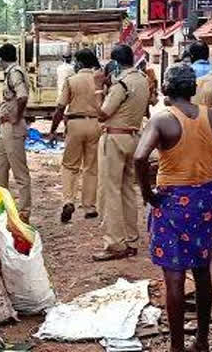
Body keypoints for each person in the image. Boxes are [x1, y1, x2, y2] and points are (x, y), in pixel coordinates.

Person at [135, 63, 212, 352]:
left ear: (166, 88)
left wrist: (148, 194)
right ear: (193, 90)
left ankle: (177, 347)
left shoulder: (162, 120)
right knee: (202, 271)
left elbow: (140, 158)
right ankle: (201, 341)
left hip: (171, 201)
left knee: (174, 275)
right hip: (204, 201)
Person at [91, 44, 150, 261]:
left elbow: (102, 114)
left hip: (114, 138)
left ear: (115, 63)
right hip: (134, 137)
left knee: (110, 191)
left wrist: (99, 89)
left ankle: (115, 243)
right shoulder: (142, 80)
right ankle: (131, 238)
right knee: (127, 190)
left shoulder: (121, 85)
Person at [47, 48, 104, 223]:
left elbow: (60, 107)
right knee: (91, 167)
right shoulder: (100, 81)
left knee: (70, 165)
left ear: (79, 63)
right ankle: (89, 207)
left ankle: (68, 200)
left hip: (75, 124)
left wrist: (53, 130)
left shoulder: (71, 81)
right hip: (96, 124)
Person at [0, 43, 32, 223]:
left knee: (19, 172)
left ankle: (24, 212)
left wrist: (16, 115)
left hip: (13, 127)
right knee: (0, 170)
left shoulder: (14, 73)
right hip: (6, 128)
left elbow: (22, 95)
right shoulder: (12, 72)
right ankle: (1, 209)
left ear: (1, 58)